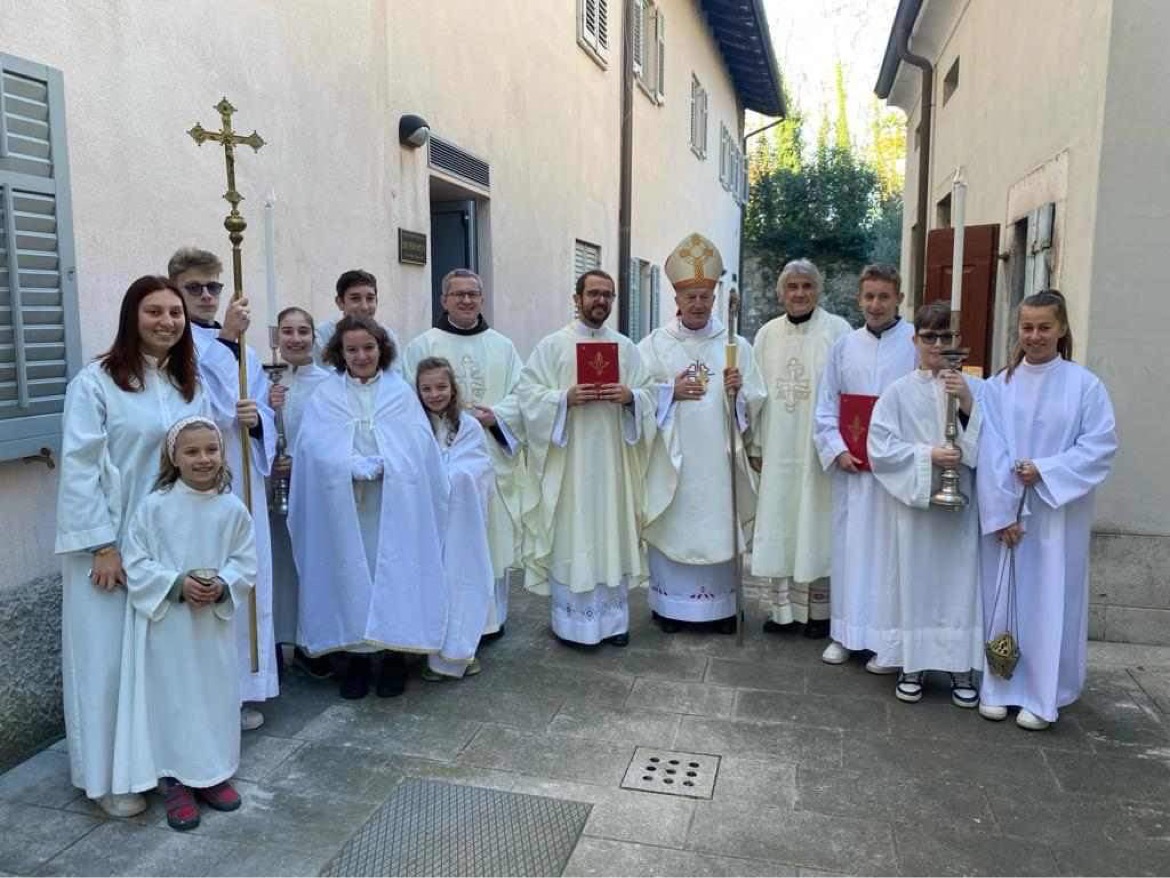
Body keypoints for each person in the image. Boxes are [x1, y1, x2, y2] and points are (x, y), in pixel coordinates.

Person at [55, 275, 206, 818]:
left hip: (167, 547)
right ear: (130, 317)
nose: (167, 322)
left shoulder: (187, 383)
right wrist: (100, 545)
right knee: (109, 663)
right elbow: (79, 468)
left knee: (159, 664)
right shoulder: (96, 383)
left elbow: (199, 456)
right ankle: (108, 778)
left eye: (175, 313)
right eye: (154, 312)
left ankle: (162, 765)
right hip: (112, 548)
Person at [975, 290, 1117, 730]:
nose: (1034, 336)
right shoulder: (1001, 385)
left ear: (1062, 329)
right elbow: (989, 448)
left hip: (1058, 517)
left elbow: (1100, 447)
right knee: (1003, 601)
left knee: (1050, 600)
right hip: (1009, 519)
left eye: (1044, 327)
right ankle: (999, 685)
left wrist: (1047, 470)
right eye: (1027, 327)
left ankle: (1043, 694)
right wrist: (1004, 514)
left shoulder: (1084, 386)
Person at [288, 316, 449, 698]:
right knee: (349, 572)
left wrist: (386, 464)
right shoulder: (325, 395)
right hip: (341, 506)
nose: (361, 356)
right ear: (339, 353)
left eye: (368, 348)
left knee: (391, 571)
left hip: (394, 503)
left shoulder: (400, 393)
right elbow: (311, 449)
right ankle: (357, 659)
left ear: (382, 349)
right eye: (352, 349)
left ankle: (393, 655)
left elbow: (418, 450)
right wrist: (345, 465)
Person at [118, 416, 257, 831]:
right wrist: (177, 585)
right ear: (173, 457)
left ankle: (213, 774)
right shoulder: (154, 507)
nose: (203, 459)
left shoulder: (232, 509)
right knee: (175, 699)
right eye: (192, 451)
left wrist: (223, 585)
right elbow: (136, 560)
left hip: (211, 627)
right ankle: (176, 779)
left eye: (211, 450)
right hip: (171, 627)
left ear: (222, 453)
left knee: (213, 695)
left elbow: (246, 562)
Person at [514, 269, 657, 647]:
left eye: (607, 295)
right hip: (570, 465)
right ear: (577, 299)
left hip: (612, 463)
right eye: (593, 294)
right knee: (573, 533)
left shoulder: (627, 347)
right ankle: (571, 625)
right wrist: (563, 399)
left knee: (609, 529)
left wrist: (630, 397)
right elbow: (527, 394)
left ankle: (612, 623)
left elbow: (650, 396)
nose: (601, 301)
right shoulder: (552, 346)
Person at [168, 247, 277, 731]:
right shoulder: (173, 345)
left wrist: (258, 425)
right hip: (199, 479)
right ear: (176, 289)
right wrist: (227, 339)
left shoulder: (246, 349)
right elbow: (190, 405)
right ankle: (206, 697)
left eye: (215, 286)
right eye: (196, 288)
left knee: (244, 577)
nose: (208, 296)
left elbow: (255, 410)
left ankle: (241, 689)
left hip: (241, 473)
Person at [638, 234, 765, 634]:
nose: (697, 304)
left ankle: (723, 609)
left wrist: (738, 392)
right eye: (690, 296)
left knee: (717, 521)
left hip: (718, 458)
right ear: (676, 299)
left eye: (704, 297)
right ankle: (670, 607)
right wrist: (667, 392)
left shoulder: (735, 345)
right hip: (670, 457)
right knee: (675, 521)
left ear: (714, 299)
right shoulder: (654, 345)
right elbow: (637, 397)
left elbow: (757, 400)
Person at [867, 302, 983, 707]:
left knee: (958, 587)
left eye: (946, 337)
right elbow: (880, 447)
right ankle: (912, 663)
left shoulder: (974, 387)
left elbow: (996, 440)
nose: (937, 345)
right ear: (915, 341)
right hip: (917, 508)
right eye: (929, 337)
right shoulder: (898, 392)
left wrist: (967, 404)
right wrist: (928, 456)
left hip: (960, 511)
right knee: (915, 582)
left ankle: (960, 667)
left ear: (959, 341)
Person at [402, 269, 525, 641]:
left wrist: (496, 417)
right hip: (441, 463)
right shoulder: (422, 346)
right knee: (448, 544)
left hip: (490, 459)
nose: (466, 301)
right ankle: (448, 619)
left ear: (482, 299)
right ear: (444, 300)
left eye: (473, 294)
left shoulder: (503, 347)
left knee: (490, 540)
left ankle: (491, 620)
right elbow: (407, 401)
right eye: (458, 295)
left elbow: (522, 396)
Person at [814, 264, 916, 669]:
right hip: (853, 472)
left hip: (894, 474)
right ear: (859, 299)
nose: (875, 305)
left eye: (884, 297)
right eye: (869, 296)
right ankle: (845, 634)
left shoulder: (914, 344)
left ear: (899, 300)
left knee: (889, 556)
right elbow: (826, 406)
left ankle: (886, 642)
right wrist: (837, 449)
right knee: (851, 550)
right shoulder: (844, 346)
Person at [750, 259, 851, 638]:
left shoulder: (839, 331)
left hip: (818, 449)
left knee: (816, 520)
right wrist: (755, 443)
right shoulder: (766, 335)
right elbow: (755, 394)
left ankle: (820, 613)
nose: (799, 293)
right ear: (781, 293)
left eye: (807, 286)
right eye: (792, 287)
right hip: (776, 446)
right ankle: (783, 613)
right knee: (781, 519)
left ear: (818, 290)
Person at [415, 357, 495, 680]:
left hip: (463, 524)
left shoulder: (469, 426)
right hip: (427, 524)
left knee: (461, 581)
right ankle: (431, 652)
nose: (434, 394)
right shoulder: (414, 426)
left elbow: (481, 467)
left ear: (453, 388)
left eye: (441, 387)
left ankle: (462, 649)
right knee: (431, 583)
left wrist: (454, 477)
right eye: (426, 388)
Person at [266, 307, 331, 677]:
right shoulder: (263, 380)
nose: (295, 339)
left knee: (309, 563)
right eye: (287, 332)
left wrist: (300, 463)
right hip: (271, 486)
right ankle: (276, 639)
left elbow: (333, 438)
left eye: (303, 331)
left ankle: (313, 644)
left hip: (312, 489)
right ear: (278, 338)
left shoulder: (328, 383)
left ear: (313, 337)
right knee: (277, 566)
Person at [314, 269, 402, 374]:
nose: (364, 307)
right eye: (355, 299)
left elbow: (394, 375)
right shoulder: (322, 335)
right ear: (340, 302)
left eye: (370, 299)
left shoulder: (388, 335)